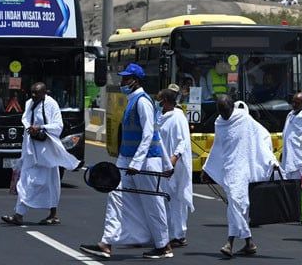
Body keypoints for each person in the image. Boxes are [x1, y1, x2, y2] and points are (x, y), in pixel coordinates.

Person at [80, 63, 174, 260]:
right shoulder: (131, 100)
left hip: (145, 161)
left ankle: (163, 246)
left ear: (136, 81)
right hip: (128, 159)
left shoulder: (142, 102)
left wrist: (141, 164)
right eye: (122, 78)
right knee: (116, 196)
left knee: (152, 203)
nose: (122, 82)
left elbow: (150, 134)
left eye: (126, 79)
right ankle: (106, 243)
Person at [202, 95, 278, 258]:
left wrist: (271, 159)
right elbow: (217, 147)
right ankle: (248, 243)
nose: (223, 114)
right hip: (229, 169)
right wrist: (207, 168)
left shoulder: (244, 119)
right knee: (237, 206)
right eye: (220, 111)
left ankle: (230, 243)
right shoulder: (219, 123)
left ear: (232, 108)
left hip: (243, 169)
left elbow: (261, 137)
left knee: (236, 204)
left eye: (225, 110)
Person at [1, 82, 81, 226]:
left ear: (45, 93)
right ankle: (18, 215)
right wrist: (30, 129)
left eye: (36, 93)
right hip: (31, 149)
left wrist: (41, 127)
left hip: (47, 151)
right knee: (26, 179)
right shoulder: (29, 103)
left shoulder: (51, 104)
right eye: (31, 93)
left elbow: (58, 126)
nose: (33, 96)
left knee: (51, 183)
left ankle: (53, 214)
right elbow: (25, 120)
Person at [156, 89, 194, 248]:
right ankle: (170, 233)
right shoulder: (161, 116)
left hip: (174, 166)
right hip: (163, 163)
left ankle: (178, 234)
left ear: (165, 100)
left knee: (176, 200)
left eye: (159, 99)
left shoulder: (178, 117)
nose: (157, 102)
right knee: (166, 199)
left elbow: (182, 142)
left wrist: (173, 159)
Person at [281, 92, 302, 179]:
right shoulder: (290, 115)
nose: (294, 105)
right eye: (293, 102)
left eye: (297, 103)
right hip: (288, 158)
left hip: (301, 161)